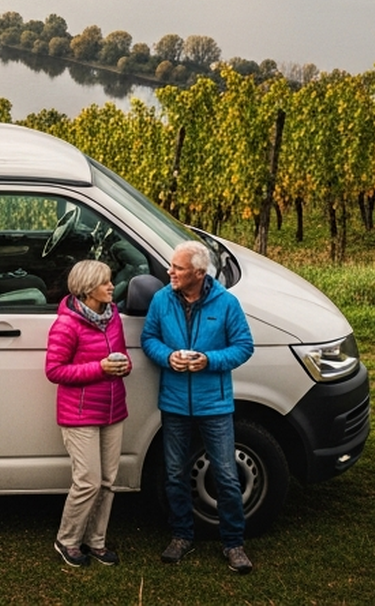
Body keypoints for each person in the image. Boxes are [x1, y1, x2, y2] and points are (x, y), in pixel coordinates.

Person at [140, 240, 257, 575]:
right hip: (174, 402)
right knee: (174, 473)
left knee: (225, 474)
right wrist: (167, 357)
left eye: (177, 268)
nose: (169, 272)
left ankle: (234, 543)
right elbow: (150, 339)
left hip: (214, 403)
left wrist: (208, 360)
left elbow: (243, 347)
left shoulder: (227, 303)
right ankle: (181, 536)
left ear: (199, 273)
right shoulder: (162, 299)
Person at [44, 259, 131, 567]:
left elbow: (122, 354)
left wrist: (124, 366)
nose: (112, 286)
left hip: (113, 408)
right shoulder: (66, 324)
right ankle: (67, 540)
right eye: (106, 282)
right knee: (89, 481)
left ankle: (96, 541)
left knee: (108, 481)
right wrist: (100, 368)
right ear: (87, 288)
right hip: (80, 413)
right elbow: (54, 371)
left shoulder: (113, 316)